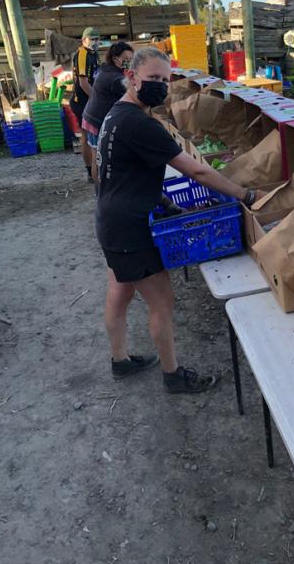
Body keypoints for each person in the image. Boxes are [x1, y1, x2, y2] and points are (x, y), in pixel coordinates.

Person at [96, 47, 263, 393]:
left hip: (112, 219)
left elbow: (117, 170)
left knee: (119, 291)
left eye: (164, 79)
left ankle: (120, 361)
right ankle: (173, 376)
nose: (160, 85)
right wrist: (244, 195)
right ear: (131, 77)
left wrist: (159, 198)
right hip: (131, 228)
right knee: (162, 302)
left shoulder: (116, 115)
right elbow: (198, 170)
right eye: (152, 79)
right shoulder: (140, 124)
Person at [82, 40, 134, 183]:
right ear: (115, 58)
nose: (129, 62)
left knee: (98, 158)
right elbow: (134, 93)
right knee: (98, 159)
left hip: (92, 115)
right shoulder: (115, 78)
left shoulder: (107, 69)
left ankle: (101, 190)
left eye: (131, 59)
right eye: (126, 60)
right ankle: (101, 190)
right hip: (96, 121)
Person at [70, 27, 100, 182]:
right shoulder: (82, 54)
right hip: (81, 102)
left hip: (89, 100)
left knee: (93, 136)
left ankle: (96, 168)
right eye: (92, 39)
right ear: (84, 40)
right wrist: (97, 98)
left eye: (97, 39)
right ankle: (90, 171)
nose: (95, 42)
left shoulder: (94, 55)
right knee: (87, 136)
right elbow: (83, 82)